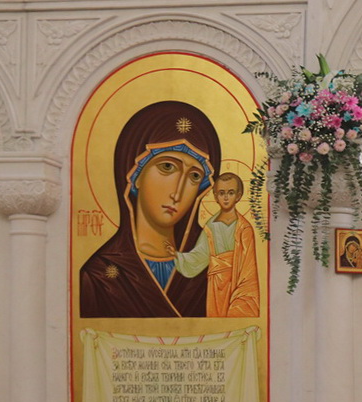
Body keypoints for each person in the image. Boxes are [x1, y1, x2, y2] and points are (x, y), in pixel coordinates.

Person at [80, 101, 219, 318]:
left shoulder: (212, 270)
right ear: (134, 175)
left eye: (194, 176)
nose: (178, 193)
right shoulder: (100, 276)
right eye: (167, 167)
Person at [172, 171, 260, 317]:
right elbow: (199, 256)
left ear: (238, 196)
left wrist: (241, 298)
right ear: (215, 196)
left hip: (236, 282)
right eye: (221, 193)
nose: (225, 197)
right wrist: (176, 256)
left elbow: (248, 268)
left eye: (230, 193)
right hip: (215, 286)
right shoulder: (210, 227)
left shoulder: (244, 228)